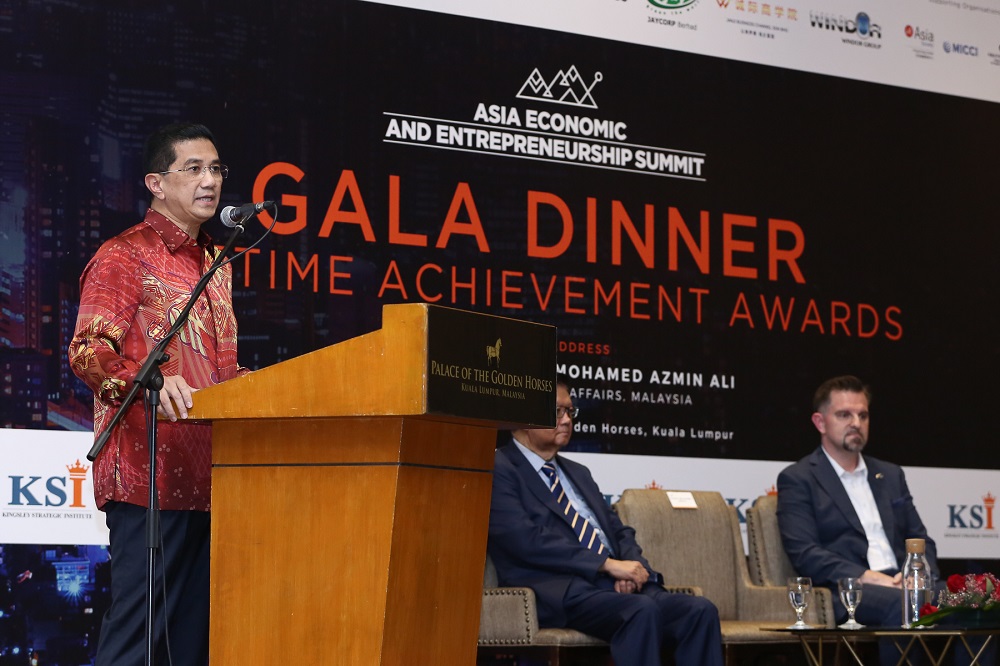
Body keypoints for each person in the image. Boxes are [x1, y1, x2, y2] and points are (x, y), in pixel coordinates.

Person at [68, 122, 248, 666]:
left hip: (213, 478)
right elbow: (86, 350)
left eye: (215, 169)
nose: (209, 180)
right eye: (192, 168)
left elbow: (221, 370)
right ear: (155, 182)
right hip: (147, 474)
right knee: (137, 640)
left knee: (192, 647)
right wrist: (149, 380)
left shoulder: (218, 263)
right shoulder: (125, 255)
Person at [487, 374, 724, 666]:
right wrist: (606, 565)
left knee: (699, 611)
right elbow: (525, 540)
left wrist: (633, 569)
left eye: (570, 411)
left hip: (609, 584)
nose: (566, 420)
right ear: (523, 418)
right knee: (640, 611)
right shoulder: (499, 467)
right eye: (556, 411)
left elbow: (618, 530)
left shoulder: (578, 472)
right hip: (559, 589)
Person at [776, 376, 969, 665]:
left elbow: (920, 538)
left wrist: (917, 575)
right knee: (903, 606)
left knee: (978, 600)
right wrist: (866, 576)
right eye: (844, 414)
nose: (856, 422)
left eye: (862, 415)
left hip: (904, 580)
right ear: (820, 422)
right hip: (850, 589)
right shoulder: (799, 478)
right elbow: (806, 553)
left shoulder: (890, 475)